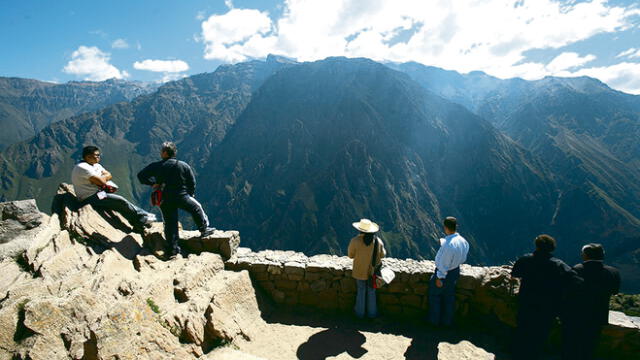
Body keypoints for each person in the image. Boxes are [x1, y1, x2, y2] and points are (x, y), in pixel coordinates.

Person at [137, 141, 215, 256]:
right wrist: (190, 194)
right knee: (196, 208)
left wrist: (152, 183)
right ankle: (204, 229)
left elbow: (141, 176)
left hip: (164, 198)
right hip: (182, 196)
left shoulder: (156, 166)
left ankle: (173, 250)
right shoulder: (183, 165)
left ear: (164, 153)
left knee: (170, 223)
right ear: (174, 153)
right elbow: (192, 182)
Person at [511, 234, 579, 360]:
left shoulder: (526, 259)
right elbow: (575, 280)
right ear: (552, 248)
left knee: (522, 329)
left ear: (537, 246)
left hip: (527, 301)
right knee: (541, 333)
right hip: (548, 305)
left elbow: (515, 273)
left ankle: (517, 354)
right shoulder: (558, 265)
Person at [71, 145, 155, 231]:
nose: (99, 157)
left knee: (119, 203)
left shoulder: (96, 165)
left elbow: (109, 175)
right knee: (119, 200)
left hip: (98, 194)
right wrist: (103, 178)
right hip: (89, 197)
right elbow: (102, 181)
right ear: (88, 157)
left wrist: (102, 178)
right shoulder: (82, 167)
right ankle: (144, 216)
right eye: (97, 155)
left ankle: (138, 220)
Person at [561, 243, 621, 360]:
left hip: (575, 315)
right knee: (589, 347)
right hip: (597, 316)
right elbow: (614, 291)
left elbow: (566, 291)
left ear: (585, 256)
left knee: (570, 347)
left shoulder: (577, 270)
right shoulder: (613, 272)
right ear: (602, 255)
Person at [428, 216, 469, 327]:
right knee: (449, 298)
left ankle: (434, 322)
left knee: (435, 297)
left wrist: (439, 277)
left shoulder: (448, 245)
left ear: (445, 227)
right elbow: (463, 258)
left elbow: (444, 263)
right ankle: (447, 322)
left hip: (444, 274)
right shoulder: (463, 241)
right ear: (456, 226)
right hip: (455, 272)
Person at [348, 218, 386, 319]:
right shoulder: (378, 241)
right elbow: (383, 255)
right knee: (371, 291)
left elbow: (351, 255)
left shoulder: (355, 241)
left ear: (360, 229)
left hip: (359, 271)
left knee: (361, 291)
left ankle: (359, 314)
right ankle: (372, 314)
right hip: (373, 272)